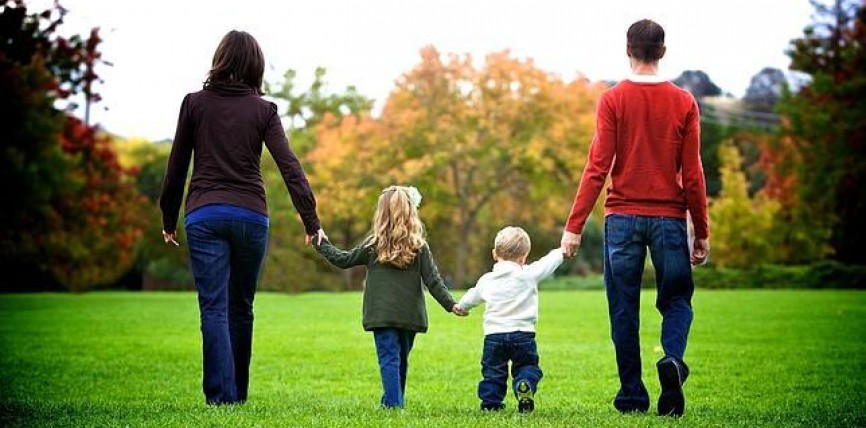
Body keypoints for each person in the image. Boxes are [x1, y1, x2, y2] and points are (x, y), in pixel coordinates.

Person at [159, 30, 325, 405]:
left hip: (204, 213)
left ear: (219, 60)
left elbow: (176, 167)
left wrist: (169, 218)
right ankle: (238, 395)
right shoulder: (263, 110)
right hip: (251, 216)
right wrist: (310, 219)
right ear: (255, 65)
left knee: (213, 306)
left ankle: (222, 396)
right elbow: (290, 167)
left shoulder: (194, 104)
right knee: (241, 306)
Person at [560, 19, 710, 417]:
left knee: (623, 306)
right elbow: (693, 173)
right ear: (662, 52)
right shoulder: (684, 102)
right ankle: (673, 361)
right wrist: (702, 230)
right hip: (669, 219)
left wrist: (573, 226)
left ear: (628, 49)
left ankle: (631, 396)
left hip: (622, 219)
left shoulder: (613, 100)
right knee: (677, 300)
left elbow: (597, 167)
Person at [312, 185, 465, 409]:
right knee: (399, 360)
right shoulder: (419, 247)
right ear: (412, 212)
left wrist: (320, 243)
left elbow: (343, 260)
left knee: (390, 360)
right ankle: (392, 402)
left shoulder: (374, 245)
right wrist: (451, 305)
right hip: (409, 316)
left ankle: (393, 404)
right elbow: (434, 281)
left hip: (382, 314)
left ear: (381, 214)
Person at [455, 226, 563, 413]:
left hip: (494, 336)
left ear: (495, 254)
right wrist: (562, 251)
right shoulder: (528, 274)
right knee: (527, 366)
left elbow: (472, 296)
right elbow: (548, 262)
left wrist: (461, 307)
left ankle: (491, 404)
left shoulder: (487, 280)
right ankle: (524, 383)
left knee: (493, 372)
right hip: (523, 335)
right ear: (524, 257)